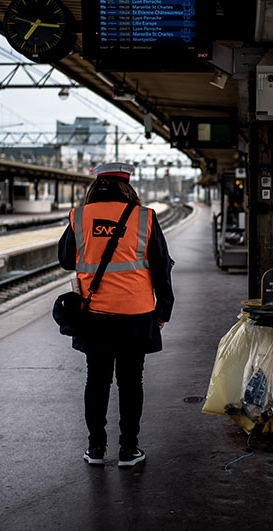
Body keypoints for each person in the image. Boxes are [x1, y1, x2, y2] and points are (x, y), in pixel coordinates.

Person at [57, 162, 174, 468]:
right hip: (136, 314)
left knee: (96, 382)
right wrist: (164, 309)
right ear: (128, 188)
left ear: (96, 187)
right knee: (131, 382)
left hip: (94, 314)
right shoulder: (144, 217)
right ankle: (129, 450)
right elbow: (162, 265)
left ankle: (96, 449)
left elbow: (65, 259)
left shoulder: (79, 216)